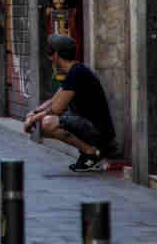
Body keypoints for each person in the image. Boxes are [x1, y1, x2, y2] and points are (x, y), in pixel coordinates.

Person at [23, 34, 117, 171]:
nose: (49, 56)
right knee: (44, 123)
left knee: (48, 123)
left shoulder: (77, 72)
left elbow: (56, 109)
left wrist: (34, 120)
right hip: (90, 125)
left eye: (50, 52)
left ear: (56, 55)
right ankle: (88, 152)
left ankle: (91, 153)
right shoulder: (75, 71)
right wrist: (33, 113)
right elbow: (53, 100)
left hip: (98, 131)